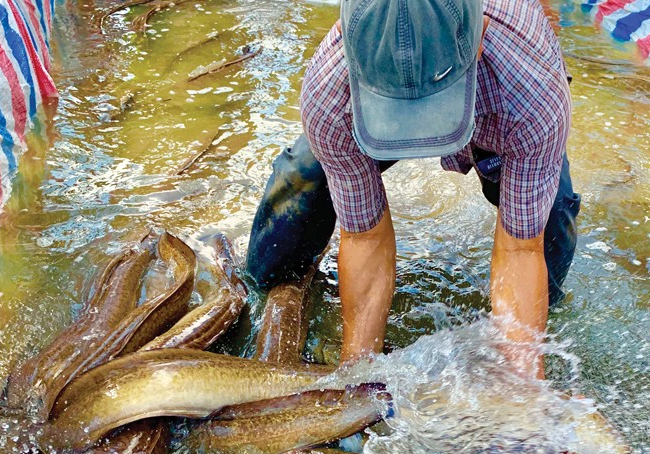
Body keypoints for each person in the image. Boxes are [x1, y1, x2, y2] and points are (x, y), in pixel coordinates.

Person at [247, 0, 580, 378]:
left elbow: (520, 249)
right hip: (364, 110)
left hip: (500, 100)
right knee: (300, 181)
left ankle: (532, 332)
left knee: (549, 219)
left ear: (481, 38)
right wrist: (357, 376)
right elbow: (365, 239)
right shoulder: (329, 92)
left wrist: (521, 387)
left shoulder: (532, 94)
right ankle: (259, 295)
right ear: (345, 44)